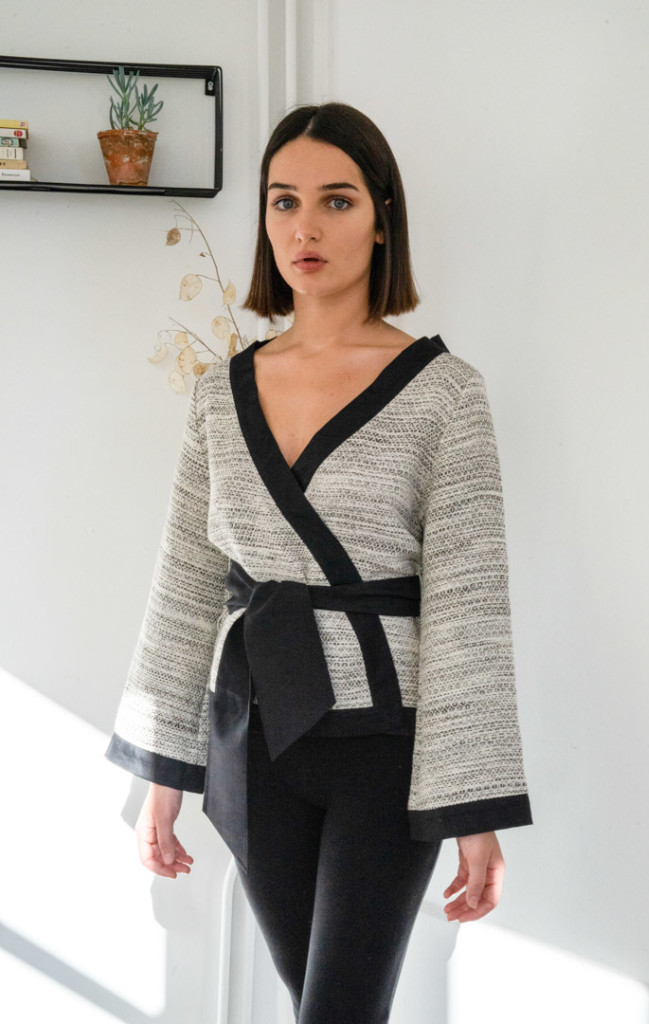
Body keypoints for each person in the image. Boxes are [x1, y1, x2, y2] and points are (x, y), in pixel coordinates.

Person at [106, 101, 533, 1023]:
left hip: (386, 749)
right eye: (284, 201)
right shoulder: (219, 395)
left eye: (337, 201)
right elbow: (184, 584)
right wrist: (161, 776)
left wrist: (475, 808)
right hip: (252, 736)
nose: (306, 226)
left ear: (381, 219)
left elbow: (469, 605)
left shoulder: (446, 395)